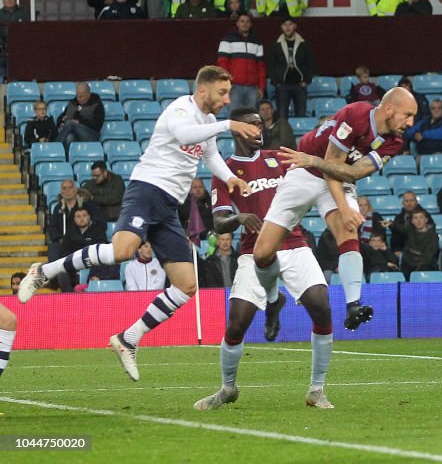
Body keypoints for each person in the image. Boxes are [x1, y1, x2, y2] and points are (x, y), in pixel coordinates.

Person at [18, 66, 260, 383]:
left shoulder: (210, 122)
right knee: (123, 251)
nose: (227, 99)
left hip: (170, 206)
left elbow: (210, 156)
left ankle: (129, 338)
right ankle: (44, 272)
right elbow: (186, 136)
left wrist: (230, 179)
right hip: (147, 189)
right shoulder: (180, 109)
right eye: (222, 93)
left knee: (187, 285)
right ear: (203, 91)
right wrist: (231, 124)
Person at [196, 106, 335, 410]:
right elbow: (219, 222)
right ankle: (228, 388)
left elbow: (310, 184)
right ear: (237, 131)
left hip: (294, 243)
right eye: (251, 126)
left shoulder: (280, 158)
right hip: (252, 251)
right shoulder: (226, 170)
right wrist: (240, 217)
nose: (258, 130)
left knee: (321, 306)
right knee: (236, 324)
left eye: (260, 125)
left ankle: (317, 389)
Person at [252, 90, 417, 332]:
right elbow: (332, 164)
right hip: (304, 172)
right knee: (262, 254)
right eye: (408, 115)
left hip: (327, 170)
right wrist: (343, 206)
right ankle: (274, 300)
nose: (411, 123)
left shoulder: (395, 142)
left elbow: (352, 172)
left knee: (348, 230)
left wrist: (315, 162)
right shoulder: (356, 114)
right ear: (389, 109)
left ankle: (353, 305)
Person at [217, 13, 265, 114]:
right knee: (233, 117)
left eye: (247, 21)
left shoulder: (257, 42)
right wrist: (226, 83)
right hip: (234, 87)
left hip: (252, 88)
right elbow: (222, 64)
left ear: (251, 24)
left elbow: (260, 66)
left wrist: (261, 87)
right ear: (237, 23)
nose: (245, 24)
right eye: (242, 21)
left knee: (251, 118)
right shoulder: (227, 40)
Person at [266, 18, 314, 118]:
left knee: (301, 116)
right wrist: (276, 83)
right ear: (281, 27)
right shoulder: (276, 45)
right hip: (282, 86)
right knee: (282, 117)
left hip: (300, 85)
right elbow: (271, 65)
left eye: (290, 24)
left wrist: (306, 81)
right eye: (285, 24)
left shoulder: (304, 44)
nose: (287, 27)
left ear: (295, 26)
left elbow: (311, 64)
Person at [57, 82, 105, 148]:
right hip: (74, 133)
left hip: (92, 134)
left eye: (81, 96)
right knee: (69, 138)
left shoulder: (97, 105)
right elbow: (60, 118)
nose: (78, 98)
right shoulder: (73, 103)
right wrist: (61, 122)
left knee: (71, 123)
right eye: (77, 95)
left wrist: (79, 122)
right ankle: (66, 157)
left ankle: (55, 147)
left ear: (88, 95)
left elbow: (97, 124)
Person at [401, 209, 440, 278]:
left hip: (428, 270)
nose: (418, 221)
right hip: (410, 269)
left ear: (426, 220)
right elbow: (406, 255)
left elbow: (429, 256)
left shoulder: (433, 236)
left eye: (421, 217)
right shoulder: (409, 235)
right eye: (416, 218)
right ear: (412, 221)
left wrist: (416, 256)